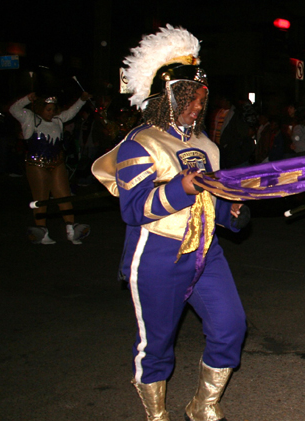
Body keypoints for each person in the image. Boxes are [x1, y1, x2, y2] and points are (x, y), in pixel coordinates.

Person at [91, 25, 250, 421]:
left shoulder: (207, 145)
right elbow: (134, 209)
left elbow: (213, 201)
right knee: (157, 344)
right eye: (189, 98)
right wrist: (181, 188)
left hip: (206, 251)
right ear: (165, 97)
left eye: (201, 98)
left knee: (231, 326)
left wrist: (232, 212)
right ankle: (157, 415)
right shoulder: (139, 143)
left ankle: (203, 404)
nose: (197, 106)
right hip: (158, 255)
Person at [10, 89, 91, 244]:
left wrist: (82, 99)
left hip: (57, 163)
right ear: (40, 108)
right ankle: (42, 231)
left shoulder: (58, 120)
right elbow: (14, 109)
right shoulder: (30, 118)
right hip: (37, 164)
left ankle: (71, 229)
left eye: (53, 109)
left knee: (64, 196)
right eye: (48, 109)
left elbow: (71, 112)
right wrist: (27, 98)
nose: (51, 112)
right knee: (41, 198)